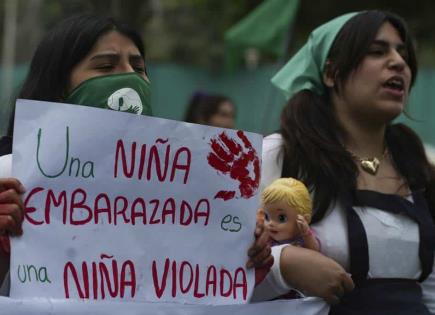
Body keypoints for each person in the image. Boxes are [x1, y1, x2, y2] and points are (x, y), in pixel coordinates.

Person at [0, 13, 272, 296]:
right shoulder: (12, 177)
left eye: (138, 67)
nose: (129, 77)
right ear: (59, 90)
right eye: (106, 66)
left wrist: (248, 247)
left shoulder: (195, 189)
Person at [255, 10, 435, 314]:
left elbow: (429, 287)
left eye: (402, 54)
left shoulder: (417, 166)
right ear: (331, 73)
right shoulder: (282, 156)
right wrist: (283, 266)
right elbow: (219, 271)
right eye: (377, 51)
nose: (398, 62)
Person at [260, 177, 319, 251]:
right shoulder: (268, 239)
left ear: (305, 220)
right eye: (267, 217)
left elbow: (315, 252)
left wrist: (306, 233)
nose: (270, 223)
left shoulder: (303, 239)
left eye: (281, 218)